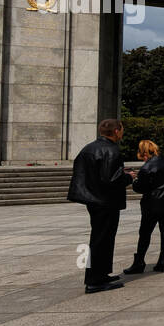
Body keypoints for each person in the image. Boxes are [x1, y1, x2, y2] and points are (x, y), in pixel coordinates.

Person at [67, 118, 134, 293]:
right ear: (117, 131)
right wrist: (129, 177)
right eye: (122, 129)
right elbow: (111, 179)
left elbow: (91, 173)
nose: (123, 132)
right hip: (106, 201)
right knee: (101, 240)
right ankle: (95, 281)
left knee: (101, 239)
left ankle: (101, 274)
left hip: (94, 200)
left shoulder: (89, 148)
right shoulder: (111, 150)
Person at [125, 139, 164, 273]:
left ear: (143, 152)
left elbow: (140, 188)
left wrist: (135, 180)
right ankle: (162, 261)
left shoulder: (146, 167)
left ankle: (139, 262)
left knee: (145, 233)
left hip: (152, 204)